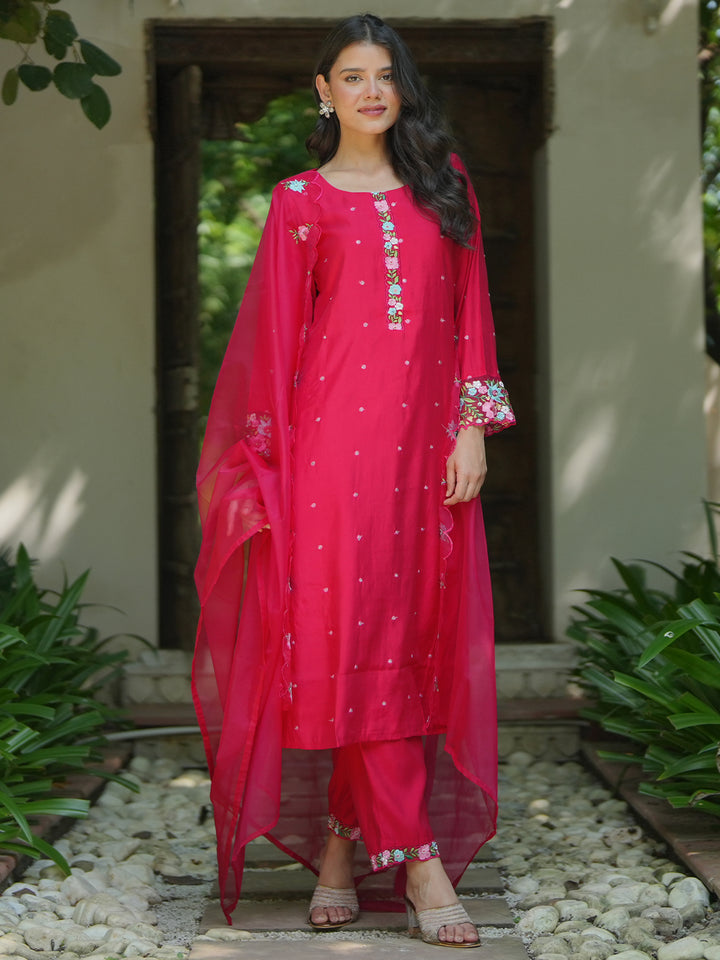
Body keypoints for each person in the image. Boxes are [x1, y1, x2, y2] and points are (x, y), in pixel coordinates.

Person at [193, 12, 515, 949]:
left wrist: (472, 430)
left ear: (401, 89)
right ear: (323, 92)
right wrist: (269, 474)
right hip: (328, 462)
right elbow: (273, 352)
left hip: (425, 459)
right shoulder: (299, 202)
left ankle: (340, 844)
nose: (372, 90)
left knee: (404, 643)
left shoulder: (444, 188)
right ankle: (417, 863)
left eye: (386, 74)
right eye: (352, 75)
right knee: (348, 643)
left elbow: (472, 319)